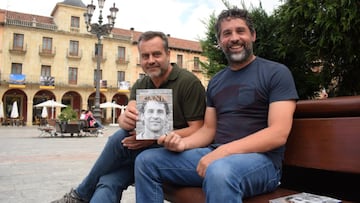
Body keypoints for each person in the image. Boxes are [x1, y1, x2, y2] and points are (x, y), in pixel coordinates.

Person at [134, 8, 299, 203]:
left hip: (262, 163)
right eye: (227, 33)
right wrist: (182, 144)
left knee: (219, 171)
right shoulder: (216, 81)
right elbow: (208, 130)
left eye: (240, 31)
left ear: (252, 35)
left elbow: (278, 133)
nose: (234, 38)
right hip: (216, 156)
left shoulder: (276, 73)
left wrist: (223, 152)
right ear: (220, 41)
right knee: (146, 161)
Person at [51, 31, 206, 203]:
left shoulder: (188, 82)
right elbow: (127, 118)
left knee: (118, 139)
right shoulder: (141, 84)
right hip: (142, 151)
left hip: (175, 154)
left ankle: (80, 196)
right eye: (145, 56)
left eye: (156, 54)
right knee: (108, 181)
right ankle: (81, 196)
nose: (151, 60)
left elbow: (198, 129)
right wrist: (124, 119)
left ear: (168, 55)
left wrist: (154, 139)